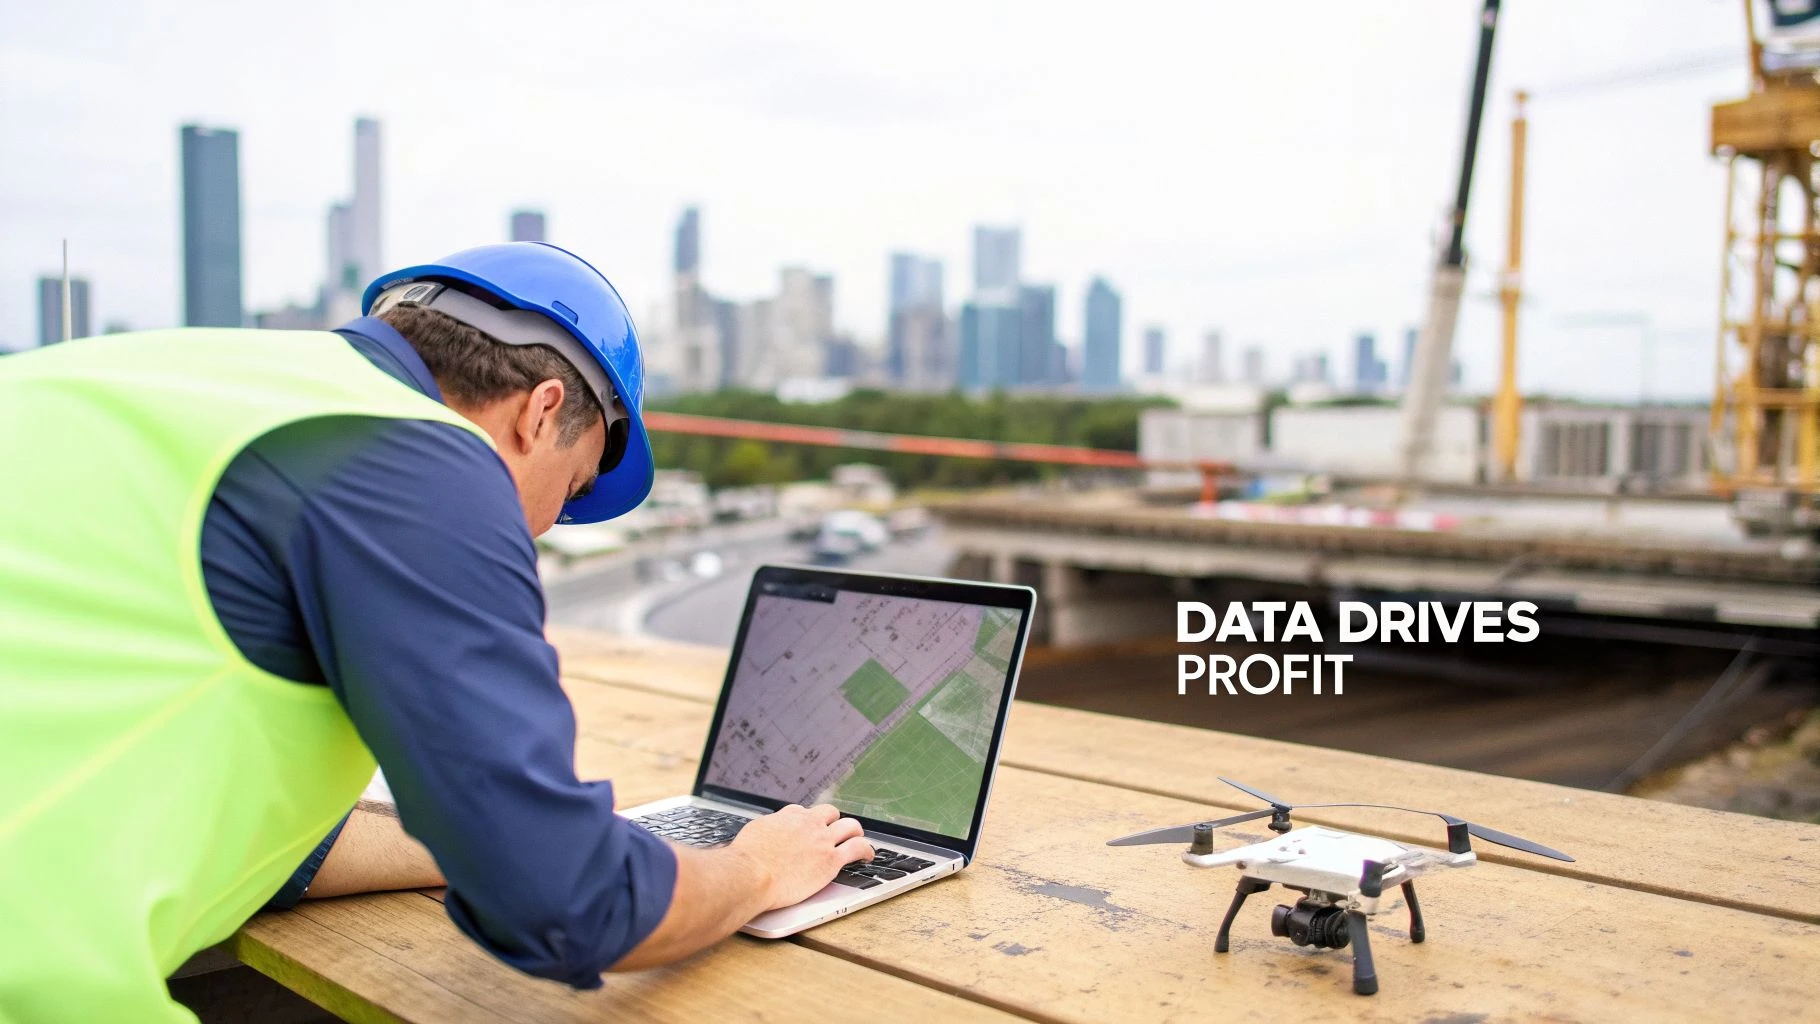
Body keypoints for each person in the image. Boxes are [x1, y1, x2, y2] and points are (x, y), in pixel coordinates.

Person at [0, 242, 873, 1023]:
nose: (535, 531)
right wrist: (756, 870)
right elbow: (568, 903)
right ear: (540, 411)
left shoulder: (177, 376)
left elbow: (268, 829)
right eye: (567, 494)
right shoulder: (415, 459)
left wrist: (474, 831)